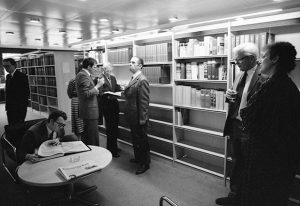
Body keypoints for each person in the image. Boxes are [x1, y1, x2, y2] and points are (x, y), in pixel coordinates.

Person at [240, 42, 300, 206]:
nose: (260, 60)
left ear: (275, 59)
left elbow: (248, 117)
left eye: (264, 56)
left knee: (259, 197)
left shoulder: (271, 86)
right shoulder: (289, 86)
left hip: (266, 159)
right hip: (281, 160)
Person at [216, 43, 266, 205]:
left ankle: (246, 198)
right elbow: (236, 96)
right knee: (236, 161)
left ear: (251, 58)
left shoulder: (264, 76)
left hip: (250, 129)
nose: (236, 63)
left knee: (250, 164)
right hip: (235, 125)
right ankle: (234, 195)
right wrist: (229, 95)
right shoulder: (239, 74)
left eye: (239, 60)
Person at [124, 56, 150, 175]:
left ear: (140, 66)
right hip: (132, 115)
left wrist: (142, 120)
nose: (130, 64)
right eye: (130, 62)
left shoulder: (142, 80)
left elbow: (144, 103)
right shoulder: (134, 78)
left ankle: (145, 163)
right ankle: (138, 158)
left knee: (142, 140)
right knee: (136, 139)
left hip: (139, 117)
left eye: (133, 63)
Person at [76, 57, 104, 146]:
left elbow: (88, 91)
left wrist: (95, 89)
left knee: (89, 135)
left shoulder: (84, 74)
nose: (96, 69)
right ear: (89, 66)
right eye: (95, 67)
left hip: (88, 110)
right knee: (92, 137)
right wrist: (98, 86)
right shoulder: (83, 75)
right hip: (89, 111)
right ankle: (94, 156)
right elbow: (85, 94)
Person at [99, 62, 122, 158]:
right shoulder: (100, 79)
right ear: (103, 70)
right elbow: (100, 92)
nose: (109, 72)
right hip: (107, 106)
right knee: (110, 129)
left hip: (114, 105)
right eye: (107, 71)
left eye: (110, 70)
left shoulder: (113, 78)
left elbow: (115, 87)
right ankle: (111, 149)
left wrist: (120, 88)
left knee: (115, 128)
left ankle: (115, 146)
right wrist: (107, 93)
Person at [3, 58, 30, 125]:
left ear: (14, 65)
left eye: (7, 66)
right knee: (11, 125)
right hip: (10, 107)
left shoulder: (22, 76)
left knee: (19, 127)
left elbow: (26, 93)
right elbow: (8, 92)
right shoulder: (8, 76)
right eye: (4, 66)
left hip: (19, 108)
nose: (6, 68)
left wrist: (22, 108)